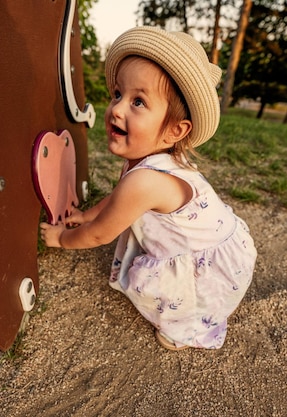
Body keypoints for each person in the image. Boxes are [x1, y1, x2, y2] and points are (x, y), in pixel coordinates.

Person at [40, 26, 257, 350]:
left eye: (138, 101)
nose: (117, 108)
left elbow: (102, 234)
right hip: (223, 246)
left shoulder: (146, 180)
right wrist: (86, 216)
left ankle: (185, 330)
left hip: (209, 271)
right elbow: (118, 198)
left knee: (174, 300)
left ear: (173, 131)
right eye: (118, 94)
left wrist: (63, 238)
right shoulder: (152, 160)